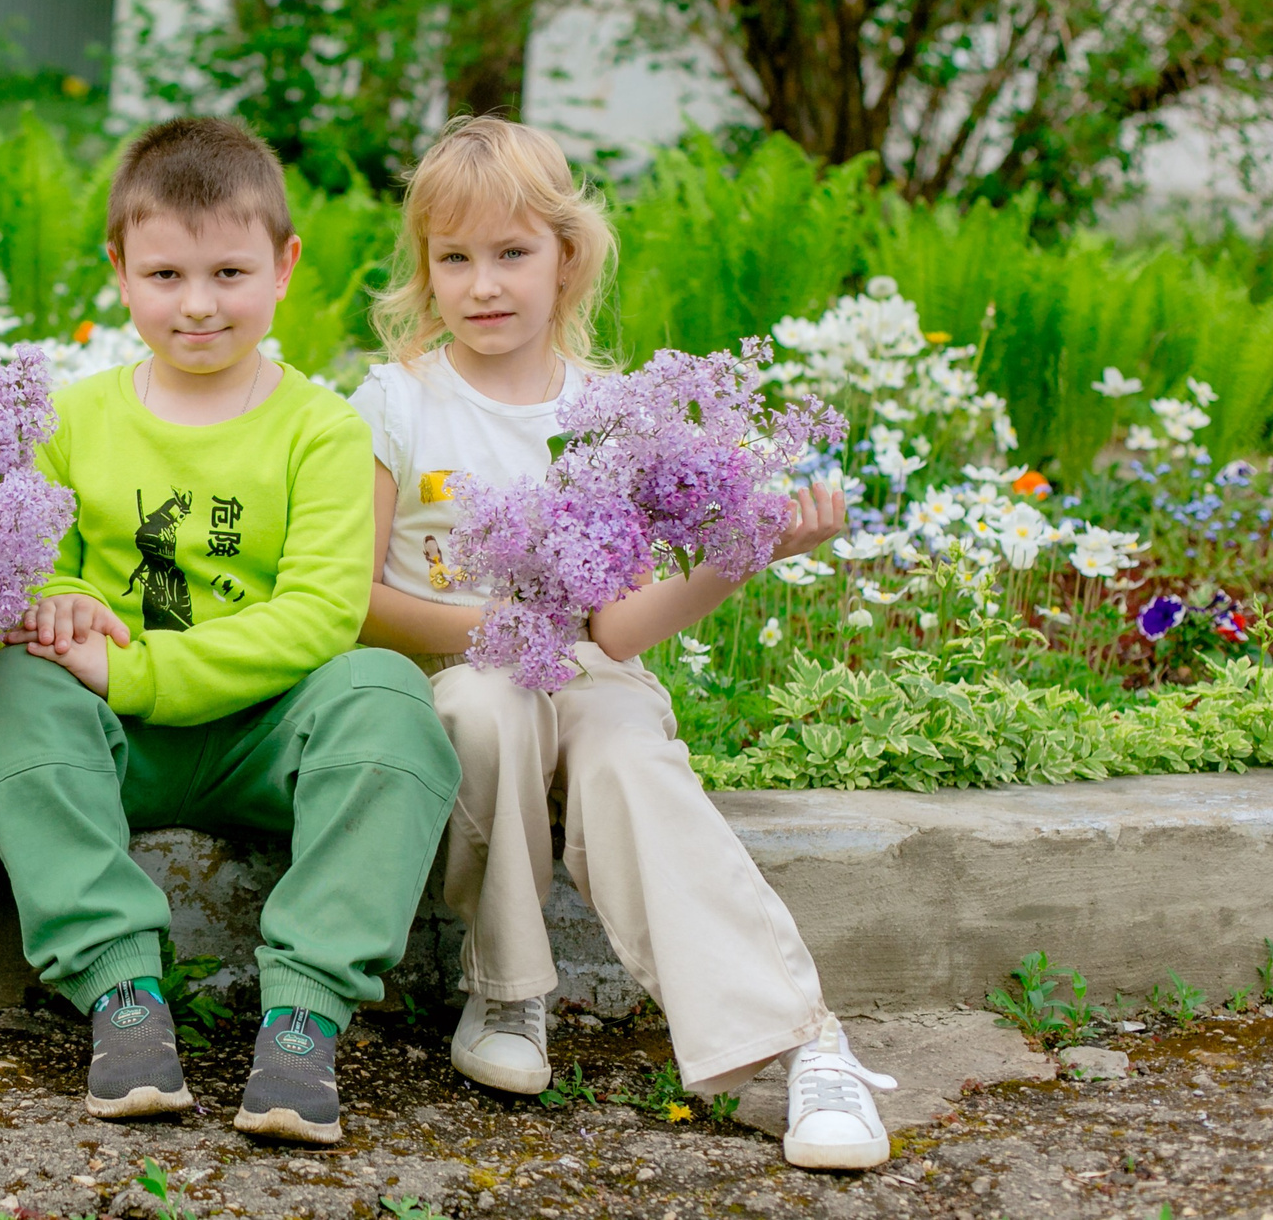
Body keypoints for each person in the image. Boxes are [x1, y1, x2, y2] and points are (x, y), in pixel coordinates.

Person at [349, 116, 898, 1171]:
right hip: (457, 668)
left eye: (511, 253)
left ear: (569, 254)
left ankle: (799, 1043)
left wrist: (738, 561)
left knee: (629, 757)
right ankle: (508, 996)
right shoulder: (396, 401)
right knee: (485, 705)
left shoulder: (610, 411)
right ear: (423, 270)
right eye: (453, 258)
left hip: (591, 673)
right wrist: (499, 633)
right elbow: (362, 601)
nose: (483, 284)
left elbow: (616, 627)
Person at [0, 116, 459, 1147]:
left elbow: (321, 612)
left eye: (229, 272)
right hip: (111, 734)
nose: (197, 304)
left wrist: (136, 670)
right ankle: (120, 996)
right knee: (12, 690)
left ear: (283, 266)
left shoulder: (321, 428)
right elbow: (34, 563)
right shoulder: (66, 419)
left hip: (266, 733)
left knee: (390, 697)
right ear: (120, 271)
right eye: (166, 275)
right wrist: (53, 598)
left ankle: (303, 1016)